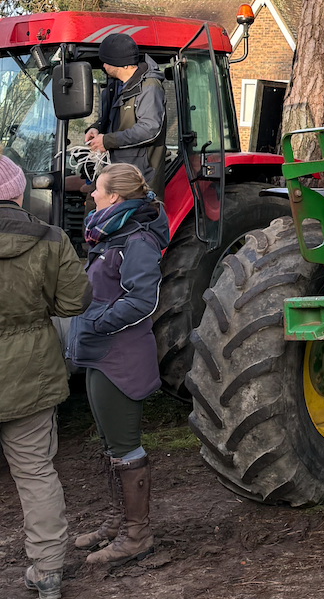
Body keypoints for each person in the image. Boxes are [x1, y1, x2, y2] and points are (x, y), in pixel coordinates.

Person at [68, 163, 169, 566]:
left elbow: (142, 300)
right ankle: (118, 522)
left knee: (125, 447)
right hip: (100, 352)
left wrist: (94, 321)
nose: (91, 193)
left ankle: (137, 534)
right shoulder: (112, 233)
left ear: (115, 197)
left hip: (120, 356)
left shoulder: (137, 239)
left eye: (98, 189)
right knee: (112, 446)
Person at [0, 154, 90, 599]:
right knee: (35, 472)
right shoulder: (51, 238)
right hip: (30, 373)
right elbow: (75, 302)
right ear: (17, 193)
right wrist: (39, 311)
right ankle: (48, 571)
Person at [84, 33, 167, 196]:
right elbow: (113, 121)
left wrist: (107, 141)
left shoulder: (149, 86)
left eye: (105, 61)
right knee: (94, 211)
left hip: (136, 179)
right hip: (115, 171)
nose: (103, 66)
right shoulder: (116, 86)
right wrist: (97, 128)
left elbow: (150, 130)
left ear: (119, 62)